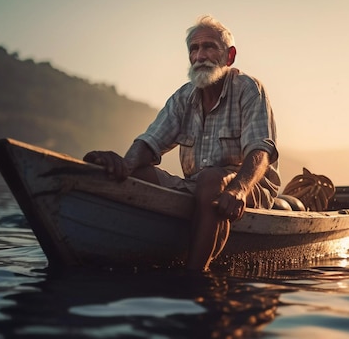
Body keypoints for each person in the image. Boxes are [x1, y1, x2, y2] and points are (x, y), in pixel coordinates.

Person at [83, 15, 280, 271]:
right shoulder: (182, 97)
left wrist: (240, 189)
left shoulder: (248, 88)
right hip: (198, 185)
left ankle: (195, 277)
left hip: (249, 187)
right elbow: (151, 141)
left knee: (211, 179)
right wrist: (125, 164)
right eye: (194, 49)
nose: (200, 56)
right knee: (138, 172)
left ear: (229, 56)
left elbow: (260, 150)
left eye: (209, 47)